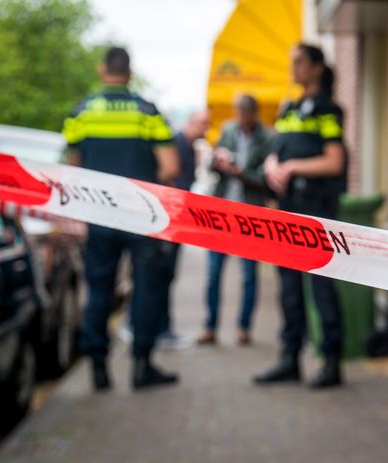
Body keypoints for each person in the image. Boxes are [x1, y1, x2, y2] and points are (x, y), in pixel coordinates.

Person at [62, 47, 180, 391]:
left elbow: (72, 166)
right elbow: (170, 167)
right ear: (129, 73)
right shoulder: (147, 112)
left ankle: (98, 368)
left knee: (99, 290)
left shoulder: (81, 112)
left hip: (98, 214)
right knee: (146, 288)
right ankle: (142, 365)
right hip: (141, 215)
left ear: (102, 70)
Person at [254, 44, 347, 389]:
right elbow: (274, 151)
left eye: (300, 62)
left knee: (321, 285)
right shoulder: (289, 108)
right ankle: (290, 359)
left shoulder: (328, 110)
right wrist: (271, 166)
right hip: (288, 207)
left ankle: (331, 362)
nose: (293, 68)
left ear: (317, 67)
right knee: (289, 289)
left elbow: (334, 161)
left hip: (317, 209)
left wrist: (292, 167)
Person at [118, 110, 211, 350]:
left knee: (163, 276)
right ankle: (140, 325)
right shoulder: (176, 143)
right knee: (155, 276)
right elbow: (168, 176)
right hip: (166, 219)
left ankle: (159, 327)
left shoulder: (188, 147)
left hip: (175, 219)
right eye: (203, 124)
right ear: (191, 122)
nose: (206, 129)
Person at [197, 94, 273, 346]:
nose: (241, 118)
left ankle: (244, 327)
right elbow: (210, 166)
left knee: (249, 275)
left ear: (253, 113)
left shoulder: (266, 138)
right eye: (238, 113)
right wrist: (217, 160)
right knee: (213, 273)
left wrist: (241, 173)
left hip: (250, 215)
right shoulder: (228, 130)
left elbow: (265, 180)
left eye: (245, 114)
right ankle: (210, 326)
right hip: (222, 212)